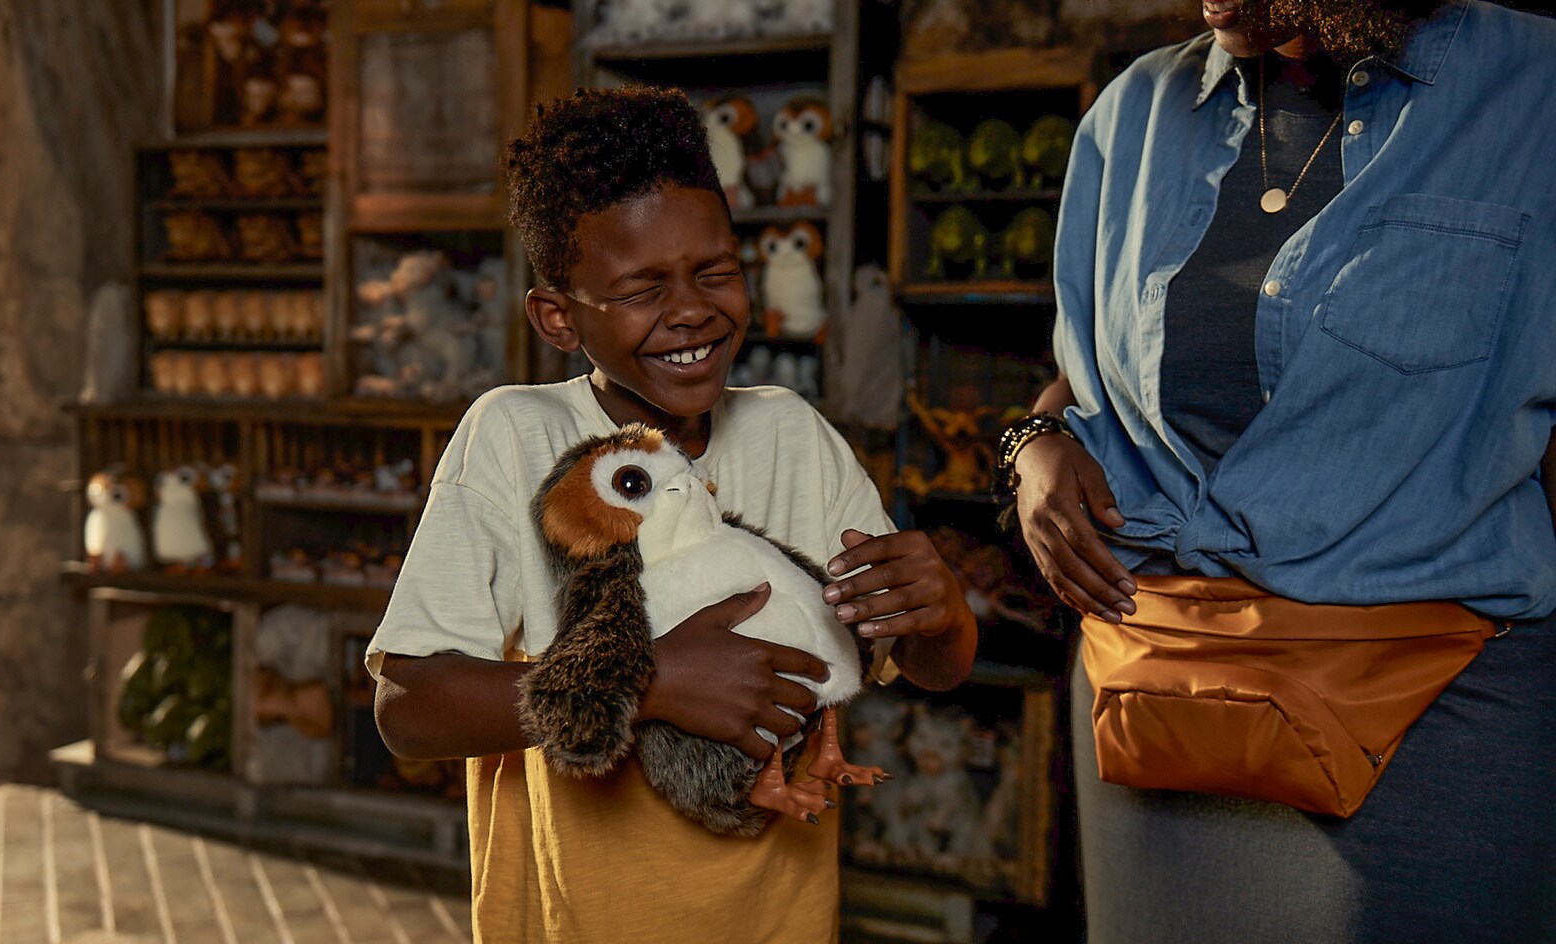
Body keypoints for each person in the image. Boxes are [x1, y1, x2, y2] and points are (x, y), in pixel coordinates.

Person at [367, 86, 976, 943]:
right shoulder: (514, 437)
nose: (691, 309)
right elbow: (408, 708)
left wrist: (942, 617)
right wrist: (645, 682)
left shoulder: (794, 436)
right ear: (557, 315)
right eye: (642, 288)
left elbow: (922, 663)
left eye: (715, 271)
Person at [1005, 0, 1556, 940]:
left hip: (1431, 704)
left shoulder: (1531, 90)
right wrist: (1033, 448)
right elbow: (1084, 368)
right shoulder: (1133, 112)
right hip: (1158, 695)